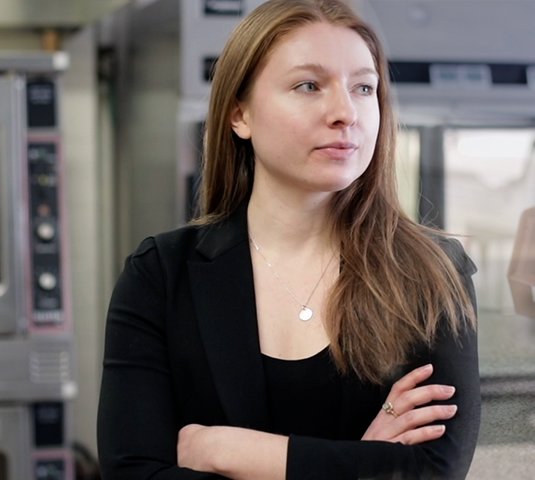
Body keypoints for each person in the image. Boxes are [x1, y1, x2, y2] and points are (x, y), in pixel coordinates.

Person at [97, 1, 480, 478]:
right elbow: (132, 472)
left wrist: (227, 452)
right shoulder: (159, 274)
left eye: (364, 87)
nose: (345, 112)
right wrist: (358, 464)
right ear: (240, 114)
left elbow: (431, 472)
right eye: (308, 85)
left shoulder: (432, 272)